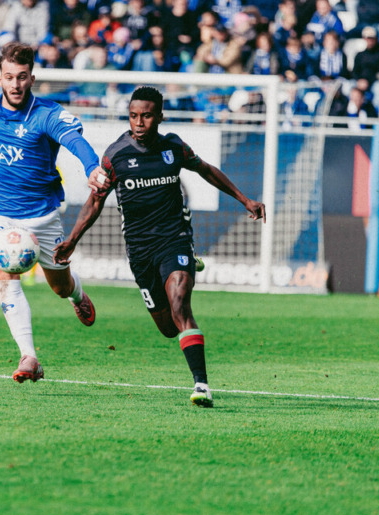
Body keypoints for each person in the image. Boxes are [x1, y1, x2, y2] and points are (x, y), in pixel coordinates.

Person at [54, 86, 265, 407]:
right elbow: (95, 201)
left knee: (181, 305)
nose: (140, 123)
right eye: (134, 116)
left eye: (147, 116)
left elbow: (206, 170)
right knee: (168, 328)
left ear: (160, 117)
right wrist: (72, 240)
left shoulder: (174, 148)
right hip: (140, 250)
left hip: (174, 237)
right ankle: (183, 271)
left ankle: (202, 385)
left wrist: (245, 199)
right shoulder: (116, 155)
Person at [0, 41, 102, 384]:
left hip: (43, 216)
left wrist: (92, 167)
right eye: (8, 77)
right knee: (7, 270)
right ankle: (29, 356)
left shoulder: (46, 114)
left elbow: (75, 141)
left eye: (22, 77)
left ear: (32, 78)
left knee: (58, 286)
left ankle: (77, 294)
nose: (15, 84)